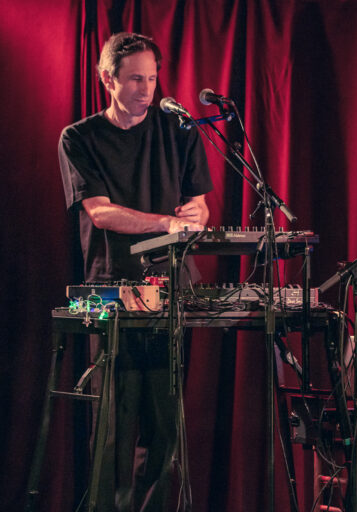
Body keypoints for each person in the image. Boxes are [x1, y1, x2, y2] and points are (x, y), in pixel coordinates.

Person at [58, 32, 213, 510]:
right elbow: (101, 213)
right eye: (135, 80)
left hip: (171, 288)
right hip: (108, 289)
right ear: (108, 79)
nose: (147, 89)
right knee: (113, 424)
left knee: (165, 426)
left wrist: (195, 216)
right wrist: (166, 222)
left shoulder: (180, 129)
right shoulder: (79, 137)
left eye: (151, 78)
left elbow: (199, 206)